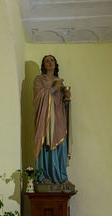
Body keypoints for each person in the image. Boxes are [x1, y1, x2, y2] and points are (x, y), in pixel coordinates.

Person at [33, 55, 71, 184]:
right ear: (43, 65)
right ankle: (43, 176)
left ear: (55, 64)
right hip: (46, 119)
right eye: (46, 61)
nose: (50, 62)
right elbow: (38, 98)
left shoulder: (59, 81)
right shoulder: (39, 79)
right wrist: (54, 88)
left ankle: (61, 177)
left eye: (52, 60)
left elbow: (61, 104)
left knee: (61, 144)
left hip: (59, 117)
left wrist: (67, 98)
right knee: (46, 144)